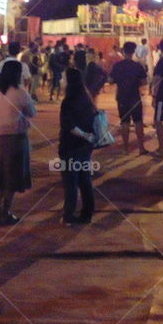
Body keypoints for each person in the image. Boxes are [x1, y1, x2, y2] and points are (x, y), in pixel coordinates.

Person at [0, 60, 35, 225]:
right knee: (13, 177)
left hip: (1, 137)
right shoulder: (20, 92)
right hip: (17, 137)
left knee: (3, 175)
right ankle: (5, 212)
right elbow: (32, 111)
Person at [58, 68, 98, 225]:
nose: (61, 81)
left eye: (63, 78)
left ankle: (69, 215)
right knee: (84, 180)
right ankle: (87, 213)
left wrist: (83, 134)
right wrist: (87, 136)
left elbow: (69, 125)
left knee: (70, 182)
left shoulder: (68, 101)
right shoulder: (86, 98)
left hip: (70, 146)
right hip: (85, 147)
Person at [108, 41, 148, 154]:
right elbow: (144, 82)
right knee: (138, 122)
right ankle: (141, 148)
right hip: (135, 96)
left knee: (124, 122)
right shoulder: (137, 66)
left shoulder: (117, 66)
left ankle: (126, 149)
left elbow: (110, 80)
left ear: (123, 51)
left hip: (122, 97)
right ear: (133, 51)